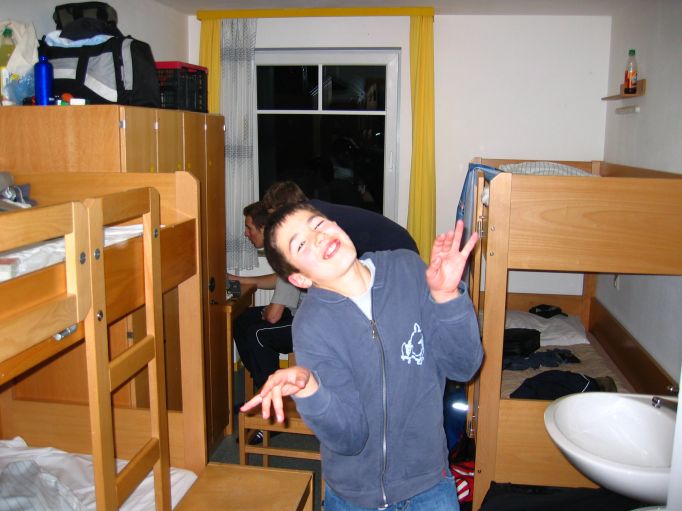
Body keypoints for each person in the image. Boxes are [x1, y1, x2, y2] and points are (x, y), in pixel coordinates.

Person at [241, 201, 483, 510]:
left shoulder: (407, 269)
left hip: (428, 484)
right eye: (301, 244)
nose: (317, 237)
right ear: (300, 279)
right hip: (353, 496)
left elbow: (464, 367)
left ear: (336, 225)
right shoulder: (312, 325)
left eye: (318, 224)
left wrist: (447, 297)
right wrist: (311, 390)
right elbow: (349, 438)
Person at [228, 202, 302, 445]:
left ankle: (271, 410)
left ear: (263, 228)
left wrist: (268, 311)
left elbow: (273, 316)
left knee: (258, 334)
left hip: (313, 325)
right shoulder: (281, 247)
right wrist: (240, 279)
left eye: (249, 228)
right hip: (300, 312)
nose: (245, 233)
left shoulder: (286, 252)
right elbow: (278, 280)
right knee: (240, 320)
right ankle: (263, 393)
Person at [261, 180, 419, 256]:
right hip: (397, 245)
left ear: (282, 207)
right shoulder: (314, 210)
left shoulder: (314, 218)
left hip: (396, 250)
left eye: (275, 215)